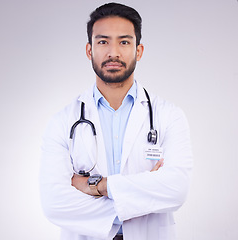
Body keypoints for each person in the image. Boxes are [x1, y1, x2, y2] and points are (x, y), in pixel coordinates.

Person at [39, 2, 193, 240]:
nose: (113, 52)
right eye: (103, 42)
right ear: (89, 50)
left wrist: (98, 186)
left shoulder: (169, 116)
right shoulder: (62, 122)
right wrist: (144, 195)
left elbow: (176, 190)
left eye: (124, 42)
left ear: (138, 50)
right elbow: (54, 203)